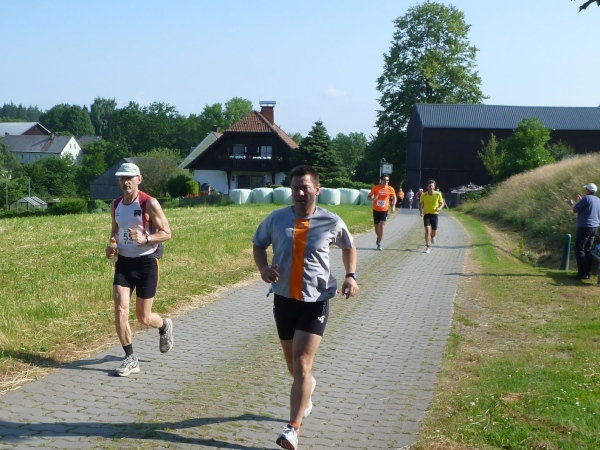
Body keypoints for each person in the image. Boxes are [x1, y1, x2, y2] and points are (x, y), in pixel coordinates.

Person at [252, 165, 359, 450]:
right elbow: (258, 244)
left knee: (301, 364)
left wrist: (350, 276)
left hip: (316, 300)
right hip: (284, 299)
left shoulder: (330, 220)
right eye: (295, 188)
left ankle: (293, 429)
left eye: (305, 188)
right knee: (294, 367)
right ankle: (307, 388)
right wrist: (263, 269)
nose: (300, 193)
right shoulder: (277, 219)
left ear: (317, 190)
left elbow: (349, 246)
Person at [105, 162, 174, 377]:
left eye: (130, 178)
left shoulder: (149, 203)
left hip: (146, 262)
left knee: (143, 317)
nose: (126, 182)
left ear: (139, 179)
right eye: (122, 178)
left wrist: (146, 238)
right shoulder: (115, 205)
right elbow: (115, 231)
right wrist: (111, 246)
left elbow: (167, 233)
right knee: (120, 311)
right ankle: (130, 358)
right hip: (124, 263)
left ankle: (163, 325)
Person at [565, 183, 600, 280]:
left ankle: (582, 273)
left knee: (579, 249)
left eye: (586, 189)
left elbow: (575, 209)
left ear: (588, 190)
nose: (585, 191)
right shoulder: (598, 200)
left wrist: (571, 203)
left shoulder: (586, 198)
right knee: (587, 249)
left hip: (585, 227)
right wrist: (580, 202)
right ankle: (588, 273)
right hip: (595, 227)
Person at [368, 174, 396, 251]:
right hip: (376, 209)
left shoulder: (390, 189)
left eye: (387, 180)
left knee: (382, 225)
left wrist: (393, 206)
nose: (386, 181)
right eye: (385, 180)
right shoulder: (376, 188)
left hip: (384, 209)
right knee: (376, 227)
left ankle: (379, 244)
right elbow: (368, 197)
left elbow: (394, 197)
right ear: (381, 180)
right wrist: (373, 198)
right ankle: (379, 237)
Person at [419, 180, 445, 254]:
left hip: (434, 214)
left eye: (432, 186)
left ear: (434, 187)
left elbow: (442, 203)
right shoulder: (424, 195)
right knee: (427, 230)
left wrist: (439, 208)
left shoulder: (438, 194)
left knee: (434, 231)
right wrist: (421, 212)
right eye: (429, 186)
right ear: (427, 187)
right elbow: (420, 204)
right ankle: (428, 247)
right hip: (426, 214)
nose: (431, 187)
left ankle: (433, 236)